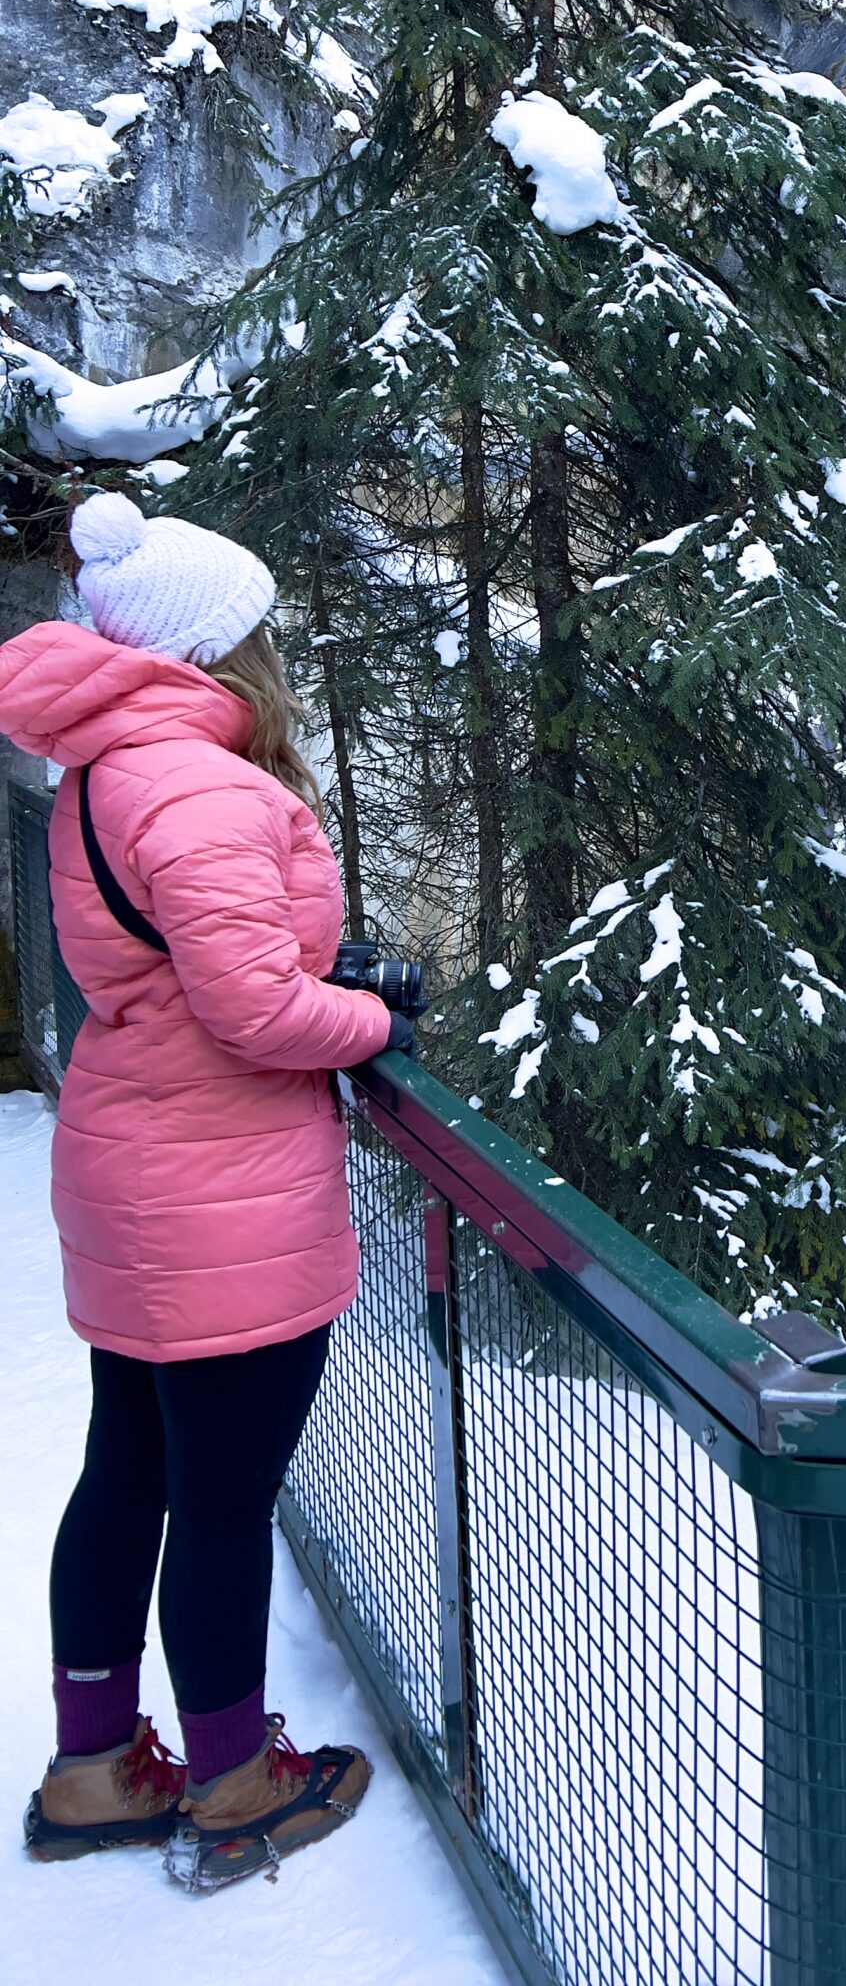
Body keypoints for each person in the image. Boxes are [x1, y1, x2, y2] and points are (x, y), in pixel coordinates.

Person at [0, 492, 414, 1890]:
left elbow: (181, 975)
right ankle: (237, 1781)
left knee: (127, 1467)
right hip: (220, 1190)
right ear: (218, 645)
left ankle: (95, 1766)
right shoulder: (203, 784)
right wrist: (371, 1025)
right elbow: (250, 1009)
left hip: (136, 1165)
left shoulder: (108, 772)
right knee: (224, 1500)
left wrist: (314, 985)